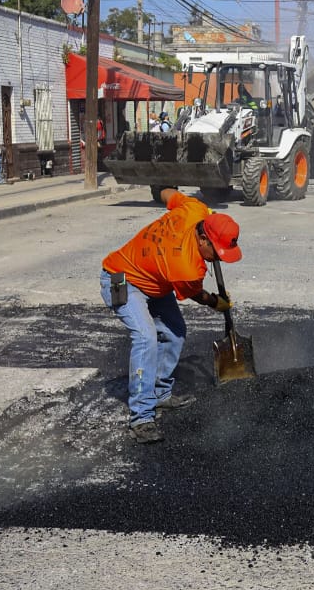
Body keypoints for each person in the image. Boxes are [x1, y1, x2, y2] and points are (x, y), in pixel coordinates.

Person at [100, 188, 241, 444]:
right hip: (122, 279)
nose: (217, 259)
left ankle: (160, 393)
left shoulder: (195, 209)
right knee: (146, 337)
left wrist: (175, 200)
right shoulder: (186, 267)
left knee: (175, 331)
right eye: (217, 253)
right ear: (203, 241)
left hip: (157, 281)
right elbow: (199, 295)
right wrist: (216, 303)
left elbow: (167, 193)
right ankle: (141, 417)